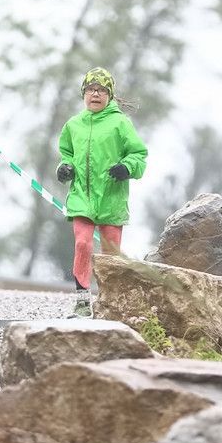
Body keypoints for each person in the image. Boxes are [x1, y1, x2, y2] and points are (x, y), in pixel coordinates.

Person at [56, 67, 147, 317]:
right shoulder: (73, 125)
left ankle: (110, 302)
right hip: (82, 197)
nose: (95, 94)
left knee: (111, 255)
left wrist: (126, 167)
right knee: (82, 243)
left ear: (110, 95)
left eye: (101, 90)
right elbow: (66, 154)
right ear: (83, 94)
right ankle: (82, 303)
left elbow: (138, 154)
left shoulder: (120, 123)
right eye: (90, 89)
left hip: (111, 197)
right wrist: (64, 168)